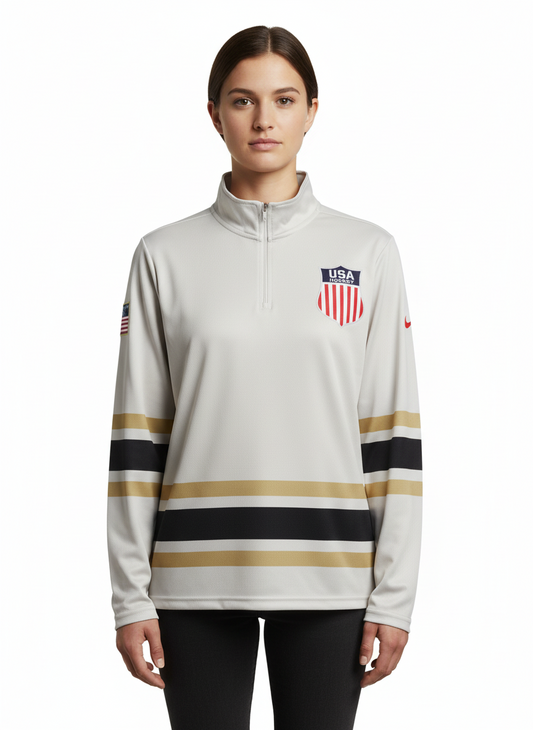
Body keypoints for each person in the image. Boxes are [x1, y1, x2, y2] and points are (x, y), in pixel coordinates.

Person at [107, 25, 423, 730]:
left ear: (312, 111)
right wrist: (130, 596)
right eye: (242, 100)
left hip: (331, 573)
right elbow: (136, 439)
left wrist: (394, 595)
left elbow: (392, 437)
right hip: (191, 578)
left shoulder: (369, 251)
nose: (263, 120)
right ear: (214, 113)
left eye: (283, 99)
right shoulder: (162, 255)